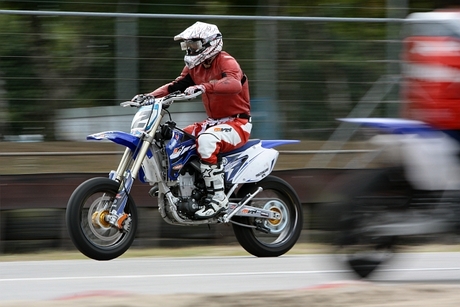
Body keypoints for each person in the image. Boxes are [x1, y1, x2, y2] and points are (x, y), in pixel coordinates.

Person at [139, 21, 251, 219]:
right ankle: (177, 187)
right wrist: (150, 96)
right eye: (187, 46)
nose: (190, 50)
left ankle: (218, 199)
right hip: (214, 122)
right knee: (175, 139)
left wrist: (205, 87)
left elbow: (234, 83)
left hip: (237, 123)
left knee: (206, 140)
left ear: (210, 44)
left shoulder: (226, 61)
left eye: (194, 45)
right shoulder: (195, 67)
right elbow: (176, 86)